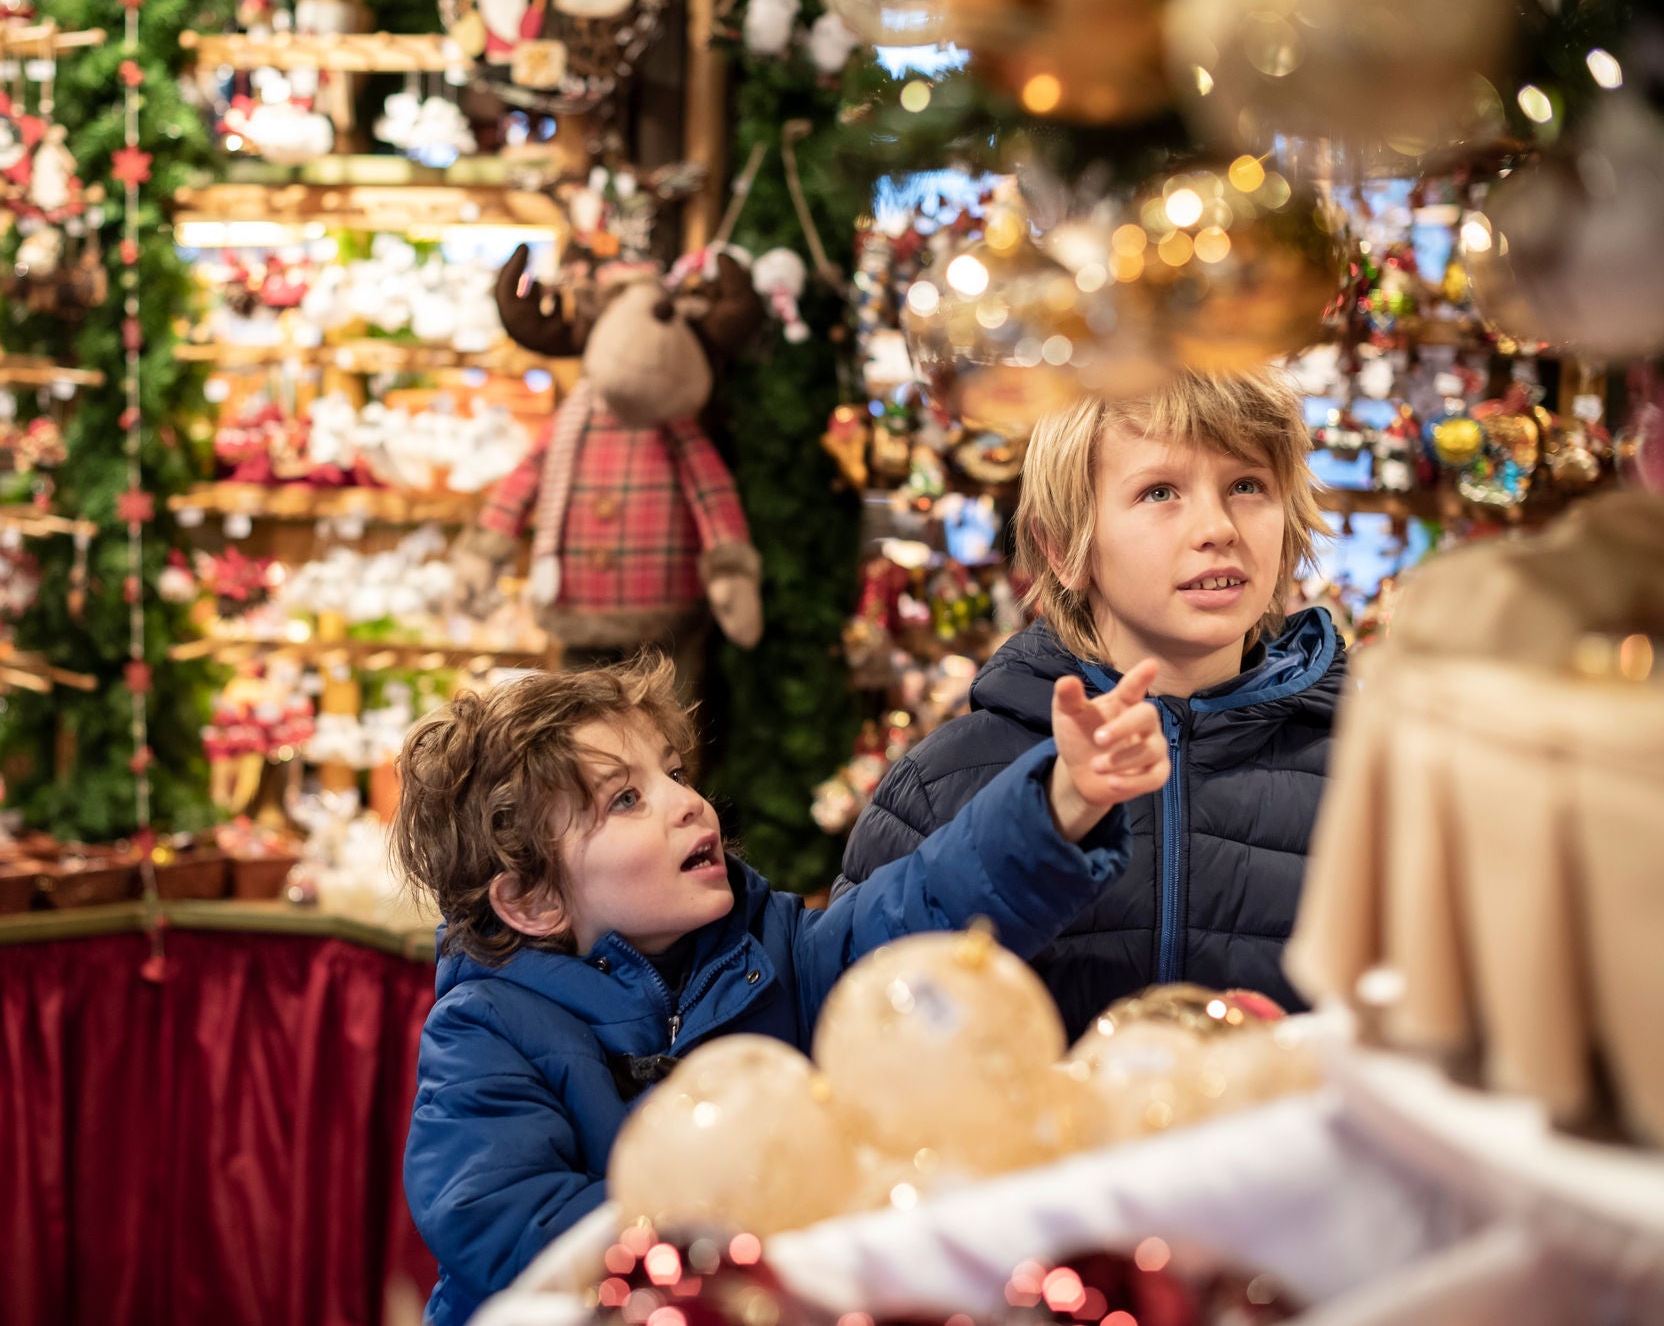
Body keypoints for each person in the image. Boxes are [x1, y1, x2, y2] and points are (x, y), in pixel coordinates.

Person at [395, 652, 1170, 1326]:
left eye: (672, 771)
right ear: (533, 902)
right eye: (625, 799)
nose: (686, 801)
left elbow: (923, 904)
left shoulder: (780, 953)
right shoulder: (486, 1028)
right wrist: (727, 1230)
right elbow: (499, 1215)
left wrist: (1062, 802)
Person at [839, 368, 1344, 1039]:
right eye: (1160, 491)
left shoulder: (1359, 777)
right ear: (1062, 547)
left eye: (1247, 485)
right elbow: (858, 1019)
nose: (1218, 526)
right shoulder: (945, 781)